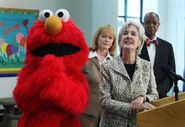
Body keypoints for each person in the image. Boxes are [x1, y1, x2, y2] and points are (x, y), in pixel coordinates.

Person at [99, 21, 158, 127]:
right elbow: (104, 101)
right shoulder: (107, 66)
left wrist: (143, 98)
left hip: (140, 123)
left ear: (140, 42)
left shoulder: (147, 66)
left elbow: (154, 95)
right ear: (120, 40)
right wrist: (135, 107)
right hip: (112, 124)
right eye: (125, 33)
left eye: (133, 34)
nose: (128, 36)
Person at [79, 24, 117, 127]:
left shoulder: (115, 63)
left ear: (113, 42)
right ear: (97, 38)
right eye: (103, 36)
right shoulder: (84, 57)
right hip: (86, 114)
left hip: (107, 116)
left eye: (110, 38)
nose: (107, 40)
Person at [140, 12, 176, 98]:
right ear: (143, 24)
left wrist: (160, 90)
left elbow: (171, 73)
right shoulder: (136, 45)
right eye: (148, 22)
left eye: (154, 23)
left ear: (158, 25)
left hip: (161, 95)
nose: (151, 25)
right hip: (139, 96)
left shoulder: (167, 47)